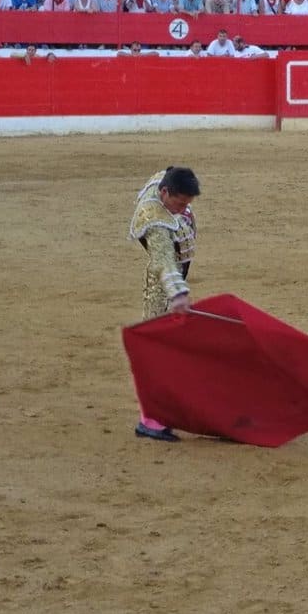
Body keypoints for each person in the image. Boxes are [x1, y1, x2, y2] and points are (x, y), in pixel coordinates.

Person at [128, 166, 201, 442]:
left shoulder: (166, 184)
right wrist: (178, 294)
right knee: (153, 343)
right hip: (163, 280)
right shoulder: (156, 220)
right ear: (164, 194)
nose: (184, 209)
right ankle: (150, 419)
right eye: (180, 203)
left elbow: (169, 171)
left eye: (188, 204)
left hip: (176, 267)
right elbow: (163, 260)